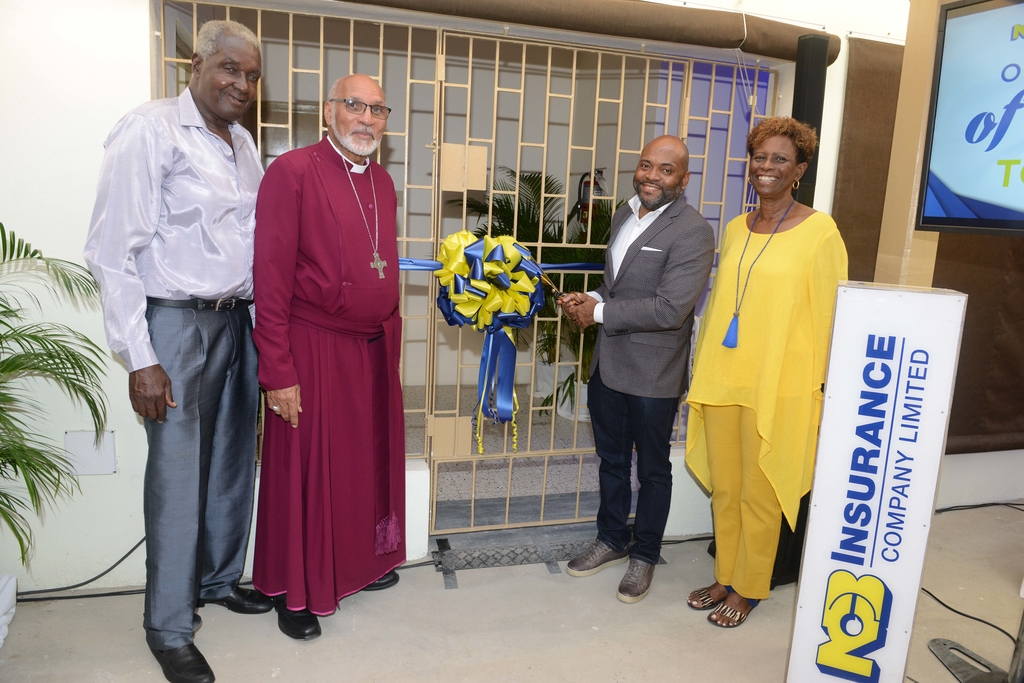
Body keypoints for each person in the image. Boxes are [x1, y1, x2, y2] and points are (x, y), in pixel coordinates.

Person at [84, 20, 272, 683]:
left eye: (251, 75)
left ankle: (219, 580)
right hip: (173, 325)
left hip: (234, 322)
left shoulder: (244, 144)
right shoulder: (150, 129)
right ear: (195, 65)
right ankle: (168, 624)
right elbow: (111, 253)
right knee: (176, 476)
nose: (241, 84)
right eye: (229, 69)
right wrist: (140, 356)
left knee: (229, 461)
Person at [251, 74, 405, 640]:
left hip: (369, 349)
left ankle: (355, 565)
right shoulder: (291, 172)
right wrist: (278, 372)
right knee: (304, 471)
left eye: (377, 110)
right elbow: (268, 283)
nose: (366, 119)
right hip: (310, 348)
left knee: (358, 467)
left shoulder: (384, 183)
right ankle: (295, 590)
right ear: (329, 111)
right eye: (354, 106)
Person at [685, 117, 848, 627]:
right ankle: (726, 574)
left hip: (778, 385)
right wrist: (702, 370)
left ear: (799, 169)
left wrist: (823, 390)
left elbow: (830, 316)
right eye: (760, 156)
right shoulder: (735, 228)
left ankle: (751, 587)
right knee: (727, 490)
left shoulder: (821, 232)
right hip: (723, 378)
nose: (767, 167)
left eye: (780, 159)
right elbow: (717, 310)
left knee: (761, 493)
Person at [558, 136, 715, 603]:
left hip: (653, 373)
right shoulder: (624, 214)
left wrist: (599, 314)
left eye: (665, 170)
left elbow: (670, 309)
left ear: (683, 180)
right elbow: (616, 286)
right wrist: (592, 300)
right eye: (646, 165)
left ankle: (644, 554)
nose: (651, 175)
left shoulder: (694, 231)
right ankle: (611, 539)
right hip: (609, 364)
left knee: (651, 470)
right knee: (609, 461)